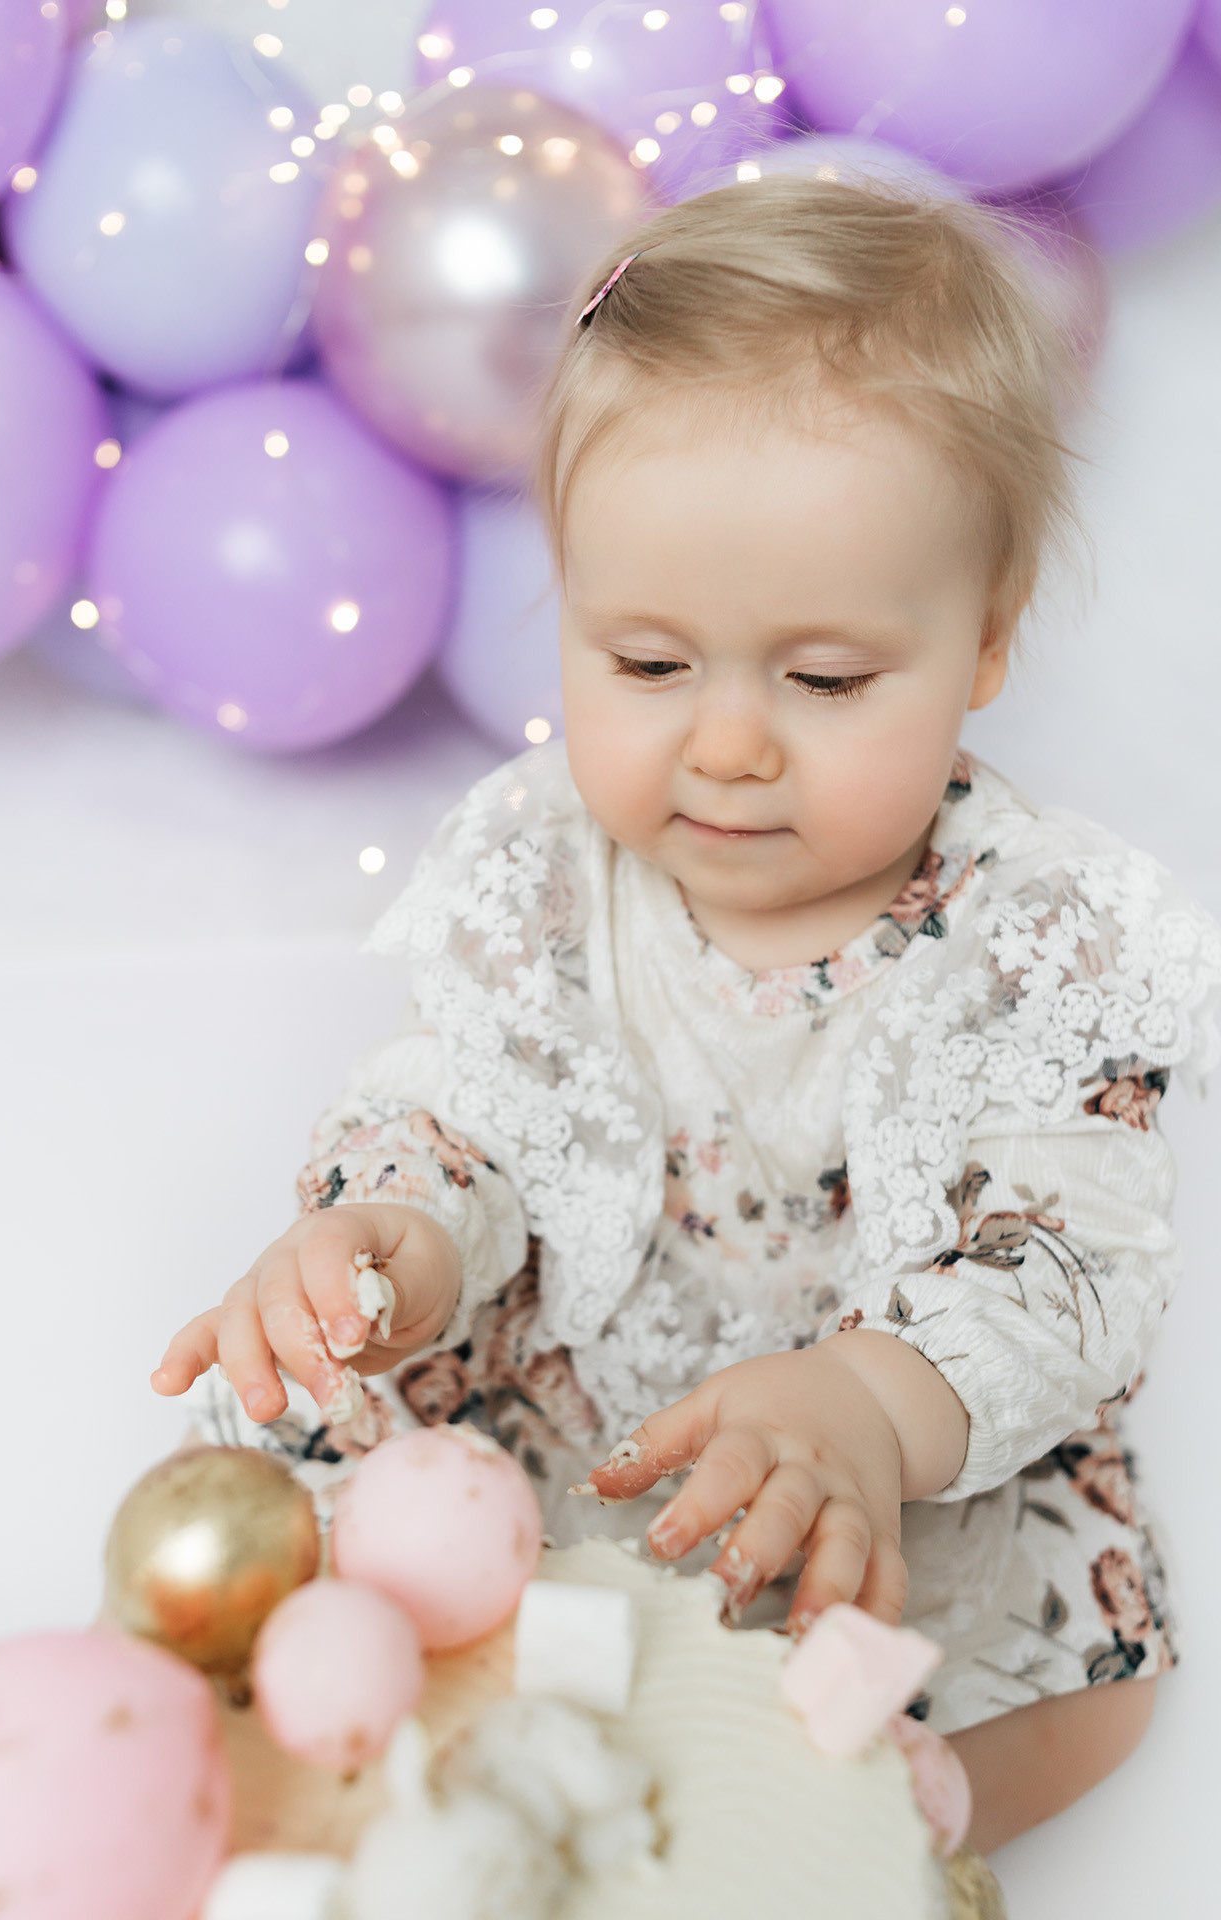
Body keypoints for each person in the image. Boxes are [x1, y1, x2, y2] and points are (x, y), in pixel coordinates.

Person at [153, 177, 1220, 1855]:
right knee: (336, 1480)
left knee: (1086, 1683)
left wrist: (870, 1401)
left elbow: (1066, 1267)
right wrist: (393, 1235)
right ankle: (446, 1753)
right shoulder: (542, 866)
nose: (728, 746)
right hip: (583, 1400)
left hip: (879, 1458)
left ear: (986, 641)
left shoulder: (1042, 937)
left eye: (824, 680)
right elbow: (467, 1109)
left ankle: (861, 1827)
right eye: (647, 663)